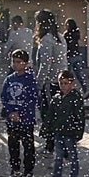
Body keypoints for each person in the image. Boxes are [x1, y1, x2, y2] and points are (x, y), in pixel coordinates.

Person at [1, 48, 38, 177]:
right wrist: (10, 112)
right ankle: (15, 169)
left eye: (19, 62)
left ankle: (28, 171)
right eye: (14, 61)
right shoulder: (9, 79)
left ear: (26, 63)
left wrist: (20, 113)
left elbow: (31, 99)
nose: (16, 64)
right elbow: (4, 97)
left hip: (26, 119)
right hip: (12, 120)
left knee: (28, 145)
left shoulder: (29, 79)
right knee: (13, 144)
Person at [34, 9, 67, 155]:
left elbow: (45, 65)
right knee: (59, 114)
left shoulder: (46, 40)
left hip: (51, 83)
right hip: (60, 80)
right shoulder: (60, 37)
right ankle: (62, 144)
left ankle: (50, 145)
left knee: (48, 114)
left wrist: (39, 84)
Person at [45, 70, 85, 177]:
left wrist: (78, 132)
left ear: (72, 84)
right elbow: (50, 115)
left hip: (70, 132)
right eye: (61, 83)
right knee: (58, 156)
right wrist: (47, 128)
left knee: (73, 156)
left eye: (66, 83)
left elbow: (80, 116)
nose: (63, 86)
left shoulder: (76, 97)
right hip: (59, 132)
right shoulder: (56, 98)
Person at [65, 18, 87, 93]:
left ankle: (68, 90)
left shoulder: (67, 34)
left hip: (69, 56)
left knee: (67, 75)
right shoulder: (77, 33)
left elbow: (65, 45)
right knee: (79, 75)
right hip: (77, 55)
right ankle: (85, 90)